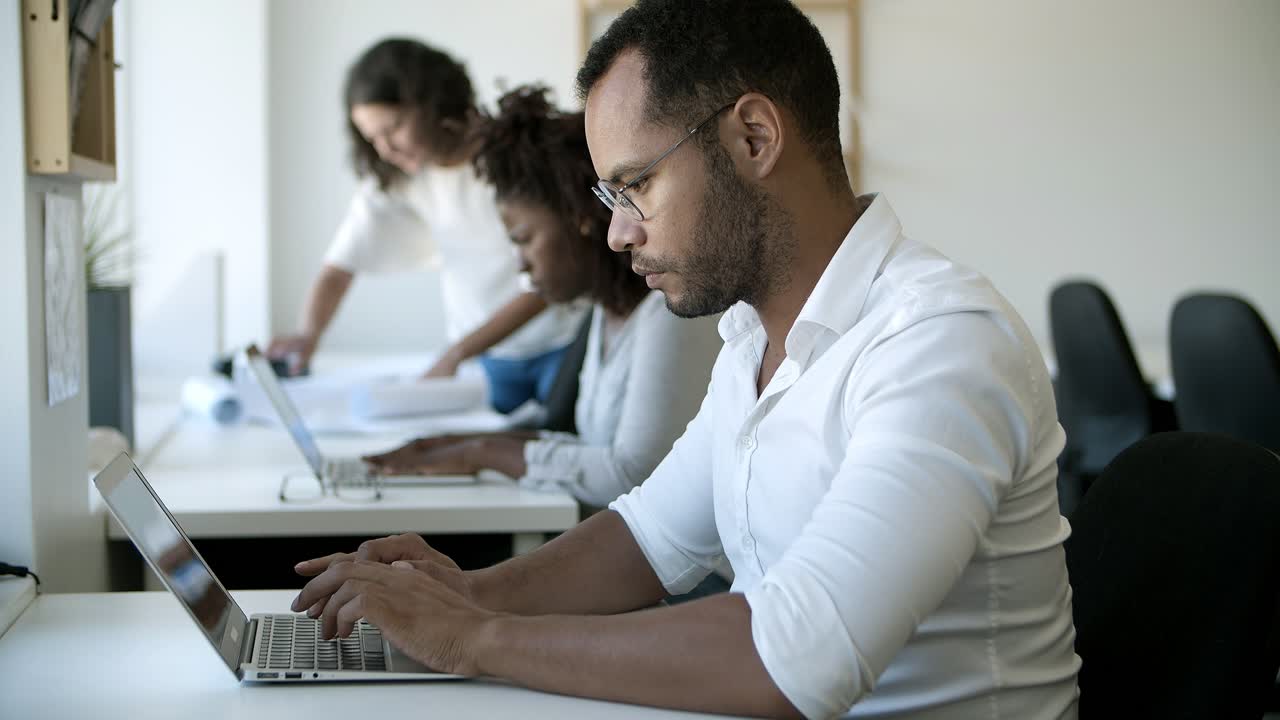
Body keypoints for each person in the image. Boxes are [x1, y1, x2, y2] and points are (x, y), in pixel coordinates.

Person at [289, 2, 1081, 718]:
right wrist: (463, 593)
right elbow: (645, 539)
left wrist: (475, 636)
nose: (617, 234)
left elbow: (794, 658)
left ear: (754, 138)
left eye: (636, 185)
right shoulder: (749, 343)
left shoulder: (939, 342)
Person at [361, 85, 723, 510]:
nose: (521, 265)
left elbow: (633, 475)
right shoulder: (607, 315)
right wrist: (455, 443)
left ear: (579, 221)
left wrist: (480, 453)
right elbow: (585, 444)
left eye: (525, 239)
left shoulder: (669, 314)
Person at [267, 39, 583, 413]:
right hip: (487, 361)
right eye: (372, 137)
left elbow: (552, 282)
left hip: (560, 344)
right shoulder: (400, 178)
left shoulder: (512, 157)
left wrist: (456, 354)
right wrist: (308, 335)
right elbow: (339, 267)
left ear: (434, 103)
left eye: (394, 127)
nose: (385, 148)